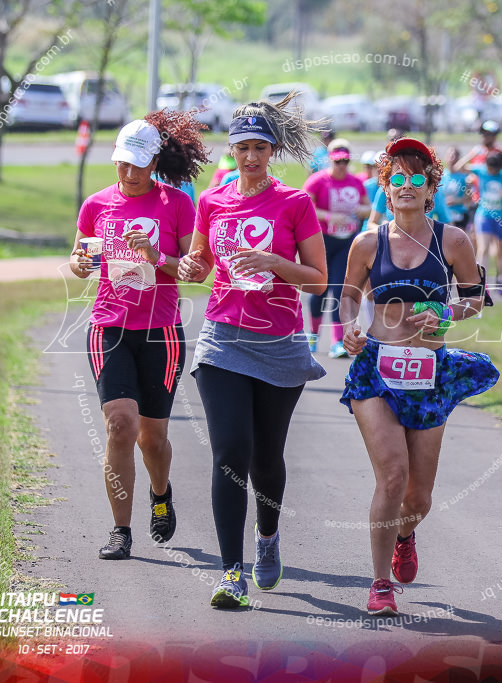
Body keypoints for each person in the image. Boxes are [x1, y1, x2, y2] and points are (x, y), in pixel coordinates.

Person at [177, 93, 328, 609]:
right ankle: (230, 574)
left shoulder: (295, 203)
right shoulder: (212, 201)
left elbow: (318, 280)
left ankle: (267, 538)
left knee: (267, 460)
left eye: (260, 146)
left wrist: (273, 261)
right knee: (229, 456)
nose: (250, 156)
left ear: (274, 149)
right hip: (222, 340)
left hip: (280, 344)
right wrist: (188, 269)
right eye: (242, 147)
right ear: (232, 150)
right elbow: (199, 264)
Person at [338, 138, 499, 617]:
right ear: (385, 188)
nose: (406, 186)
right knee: (392, 476)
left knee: (419, 495)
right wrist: (349, 326)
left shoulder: (453, 241)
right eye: (397, 179)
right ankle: (380, 583)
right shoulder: (368, 243)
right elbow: (348, 297)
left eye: (417, 178)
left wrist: (447, 311)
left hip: (429, 372)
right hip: (377, 371)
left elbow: (475, 299)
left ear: (431, 189)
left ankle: (404, 535)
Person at [69, 111, 209, 561]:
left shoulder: (176, 204)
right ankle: (120, 531)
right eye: (121, 163)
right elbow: (79, 255)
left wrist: (155, 255)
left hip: (160, 332)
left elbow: (192, 270)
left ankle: (161, 492)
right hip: (108, 325)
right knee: (120, 425)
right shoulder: (96, 205)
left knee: (152, 438)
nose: (128, 173)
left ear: (154, 161)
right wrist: (79, 264)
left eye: (137, 164)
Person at [302, 138, 371, 357]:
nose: (342, 165)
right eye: (337, 161)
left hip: (346, 242)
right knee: (320, 288)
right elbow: (305, 207)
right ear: (330, 159)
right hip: (322, 240)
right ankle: (312, 336)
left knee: (341, 289)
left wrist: (361, 210)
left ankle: (337, 341)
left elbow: (368, 208)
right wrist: (330, 215)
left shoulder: (356, 182)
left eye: (345, 161)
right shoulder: (317, 181)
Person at [459, 150, 502, 292]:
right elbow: (459, 167)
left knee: (500, 250)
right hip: (484, 215)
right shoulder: (481, 170)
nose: (491, 171)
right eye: (489, 168)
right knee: (483, 248)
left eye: (494, 169)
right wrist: (472, 153)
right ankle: (480, 281)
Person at [443, 147, 475, 253]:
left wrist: (456, 201)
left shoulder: (464, 177)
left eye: (455, 155)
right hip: (445, 215)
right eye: (450, 155)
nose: (452, 158)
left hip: (460, 214)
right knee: (445, 245)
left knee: (461, 244)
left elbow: (470, 197)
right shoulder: (442, 176)